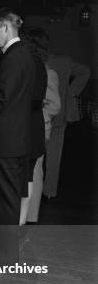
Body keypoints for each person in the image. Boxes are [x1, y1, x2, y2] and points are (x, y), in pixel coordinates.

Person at [0, 8, 35, 264]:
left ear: (6, 28)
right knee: (9, 199)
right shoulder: (25, 55)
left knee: (4, 201)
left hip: (6, 140)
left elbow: (1, 99)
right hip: (17, 138)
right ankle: (5, 255)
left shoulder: (13, 57)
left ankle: (3, 257)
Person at [20, 27, 60, 224]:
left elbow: (55, 105)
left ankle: (30, 217)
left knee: (34, 173)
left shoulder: (47, 71)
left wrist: (39, 112)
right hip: (29, 127)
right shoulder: (32, 66)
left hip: (39, 128)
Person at [43, 53, 90, 198]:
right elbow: (85, 71)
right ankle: (49, 191)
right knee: (54, 155)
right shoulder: (64, 61)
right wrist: (71, 92)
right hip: (60, 112)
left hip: (42, 112)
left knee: (37, 157)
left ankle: (33, 192)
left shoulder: (37, 59)